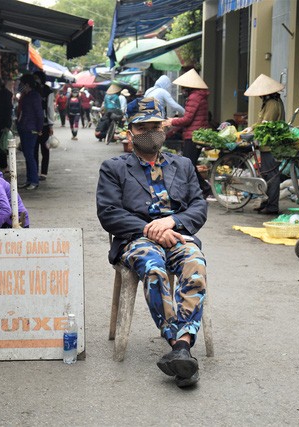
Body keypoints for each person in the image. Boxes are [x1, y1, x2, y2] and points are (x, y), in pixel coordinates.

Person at [96, 97, 207, 388]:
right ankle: (180, 345)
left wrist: (171, 222)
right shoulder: (114, 167)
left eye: (155, 125)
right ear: (129, 131)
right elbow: (108, 213)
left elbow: (198, 206)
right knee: (154, 267)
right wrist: (149, 228)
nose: (150, 132)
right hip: (137, 239)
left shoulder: (182, 164)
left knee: (195, 262)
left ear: (165, 128)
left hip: (177, 234)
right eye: (142, 127)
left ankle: (180, 347)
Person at [164, 69, 213, 199]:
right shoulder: (198, 96)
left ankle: (204, 187)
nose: (182, 89)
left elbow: (187, 119)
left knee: (187, 164)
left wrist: (171, 121)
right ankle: (199, 189)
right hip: (194, 133)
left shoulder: (194, 97)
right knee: (188, 164)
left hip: (193, 135)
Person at [243, 74, 286, 214]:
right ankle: (268, 201)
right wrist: (252, 127)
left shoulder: (272, 104)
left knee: (272, 175)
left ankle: (272, 206)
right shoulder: (269, 102)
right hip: (266, 144)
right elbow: (262, 122)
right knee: (267, 175)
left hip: (270, 145)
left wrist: (255, 131)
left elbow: (267, 124)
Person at [16, 73, 44, 190]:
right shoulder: (25, 95)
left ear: (26, 84)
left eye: (21, 84)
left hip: (31, 129)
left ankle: (34, 180)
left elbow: (39, 114)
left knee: (29, 155)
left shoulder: (34, 96)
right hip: (24, 128)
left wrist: (39, 129)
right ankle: (29, 180)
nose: (20, 86)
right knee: (27, 156)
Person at [33, 71, 55, 181]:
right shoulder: (33, 90)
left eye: (37, 77)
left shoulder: (48, 91)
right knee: (35, 149)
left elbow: (50, 108)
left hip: (45, 124)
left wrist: (51, 125)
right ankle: (36, 171)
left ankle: (43, 172)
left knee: (44, 149)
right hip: (35, 124)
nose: (35, 80)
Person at [0, 77, 13, 172]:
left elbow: (7, 111)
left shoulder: (2, 95)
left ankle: (3, 166)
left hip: (1, 123)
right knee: (0, 145)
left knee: (0, 145)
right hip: (3, 123)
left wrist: (7, 126)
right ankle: (3, 165)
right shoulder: (6, 94)